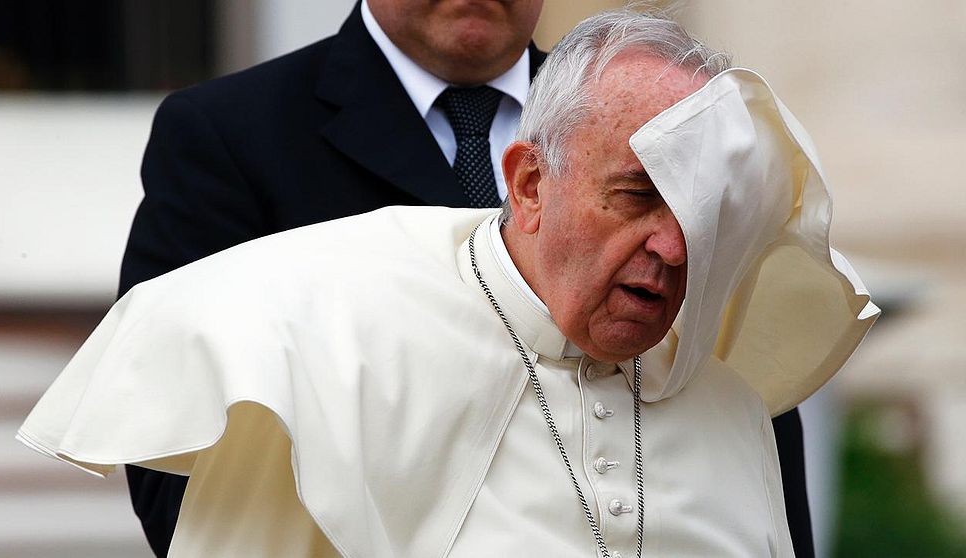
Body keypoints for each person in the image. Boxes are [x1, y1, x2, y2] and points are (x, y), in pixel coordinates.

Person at [119, 2, 814, 555]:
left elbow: (737, 390)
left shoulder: (658, 104)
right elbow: (182, 451)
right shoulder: (231, 133)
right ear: (528, 184)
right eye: (634, 195)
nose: (667, 242)